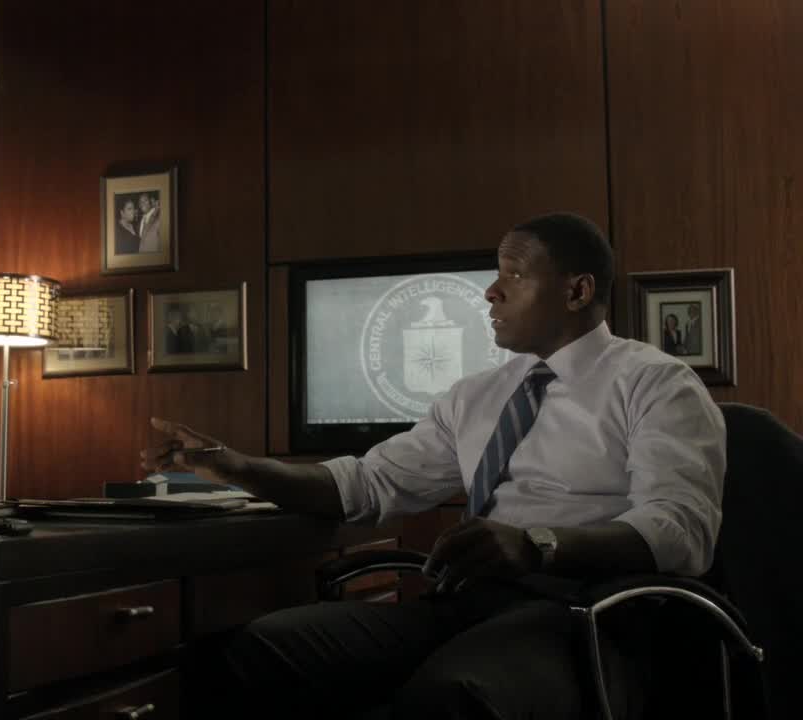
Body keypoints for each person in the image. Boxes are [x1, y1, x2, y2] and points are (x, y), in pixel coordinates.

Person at [142, 212, 725, 718]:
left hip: (582, 613)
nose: (491, 292)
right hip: (465, 603)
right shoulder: (476, 396)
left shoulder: (655, 384)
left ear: (577, 291)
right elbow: (366, 484)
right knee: (259, 651)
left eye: (513, 275)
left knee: (452, 694)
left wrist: (537, 545)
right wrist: (237, 466)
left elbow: (680, 530)